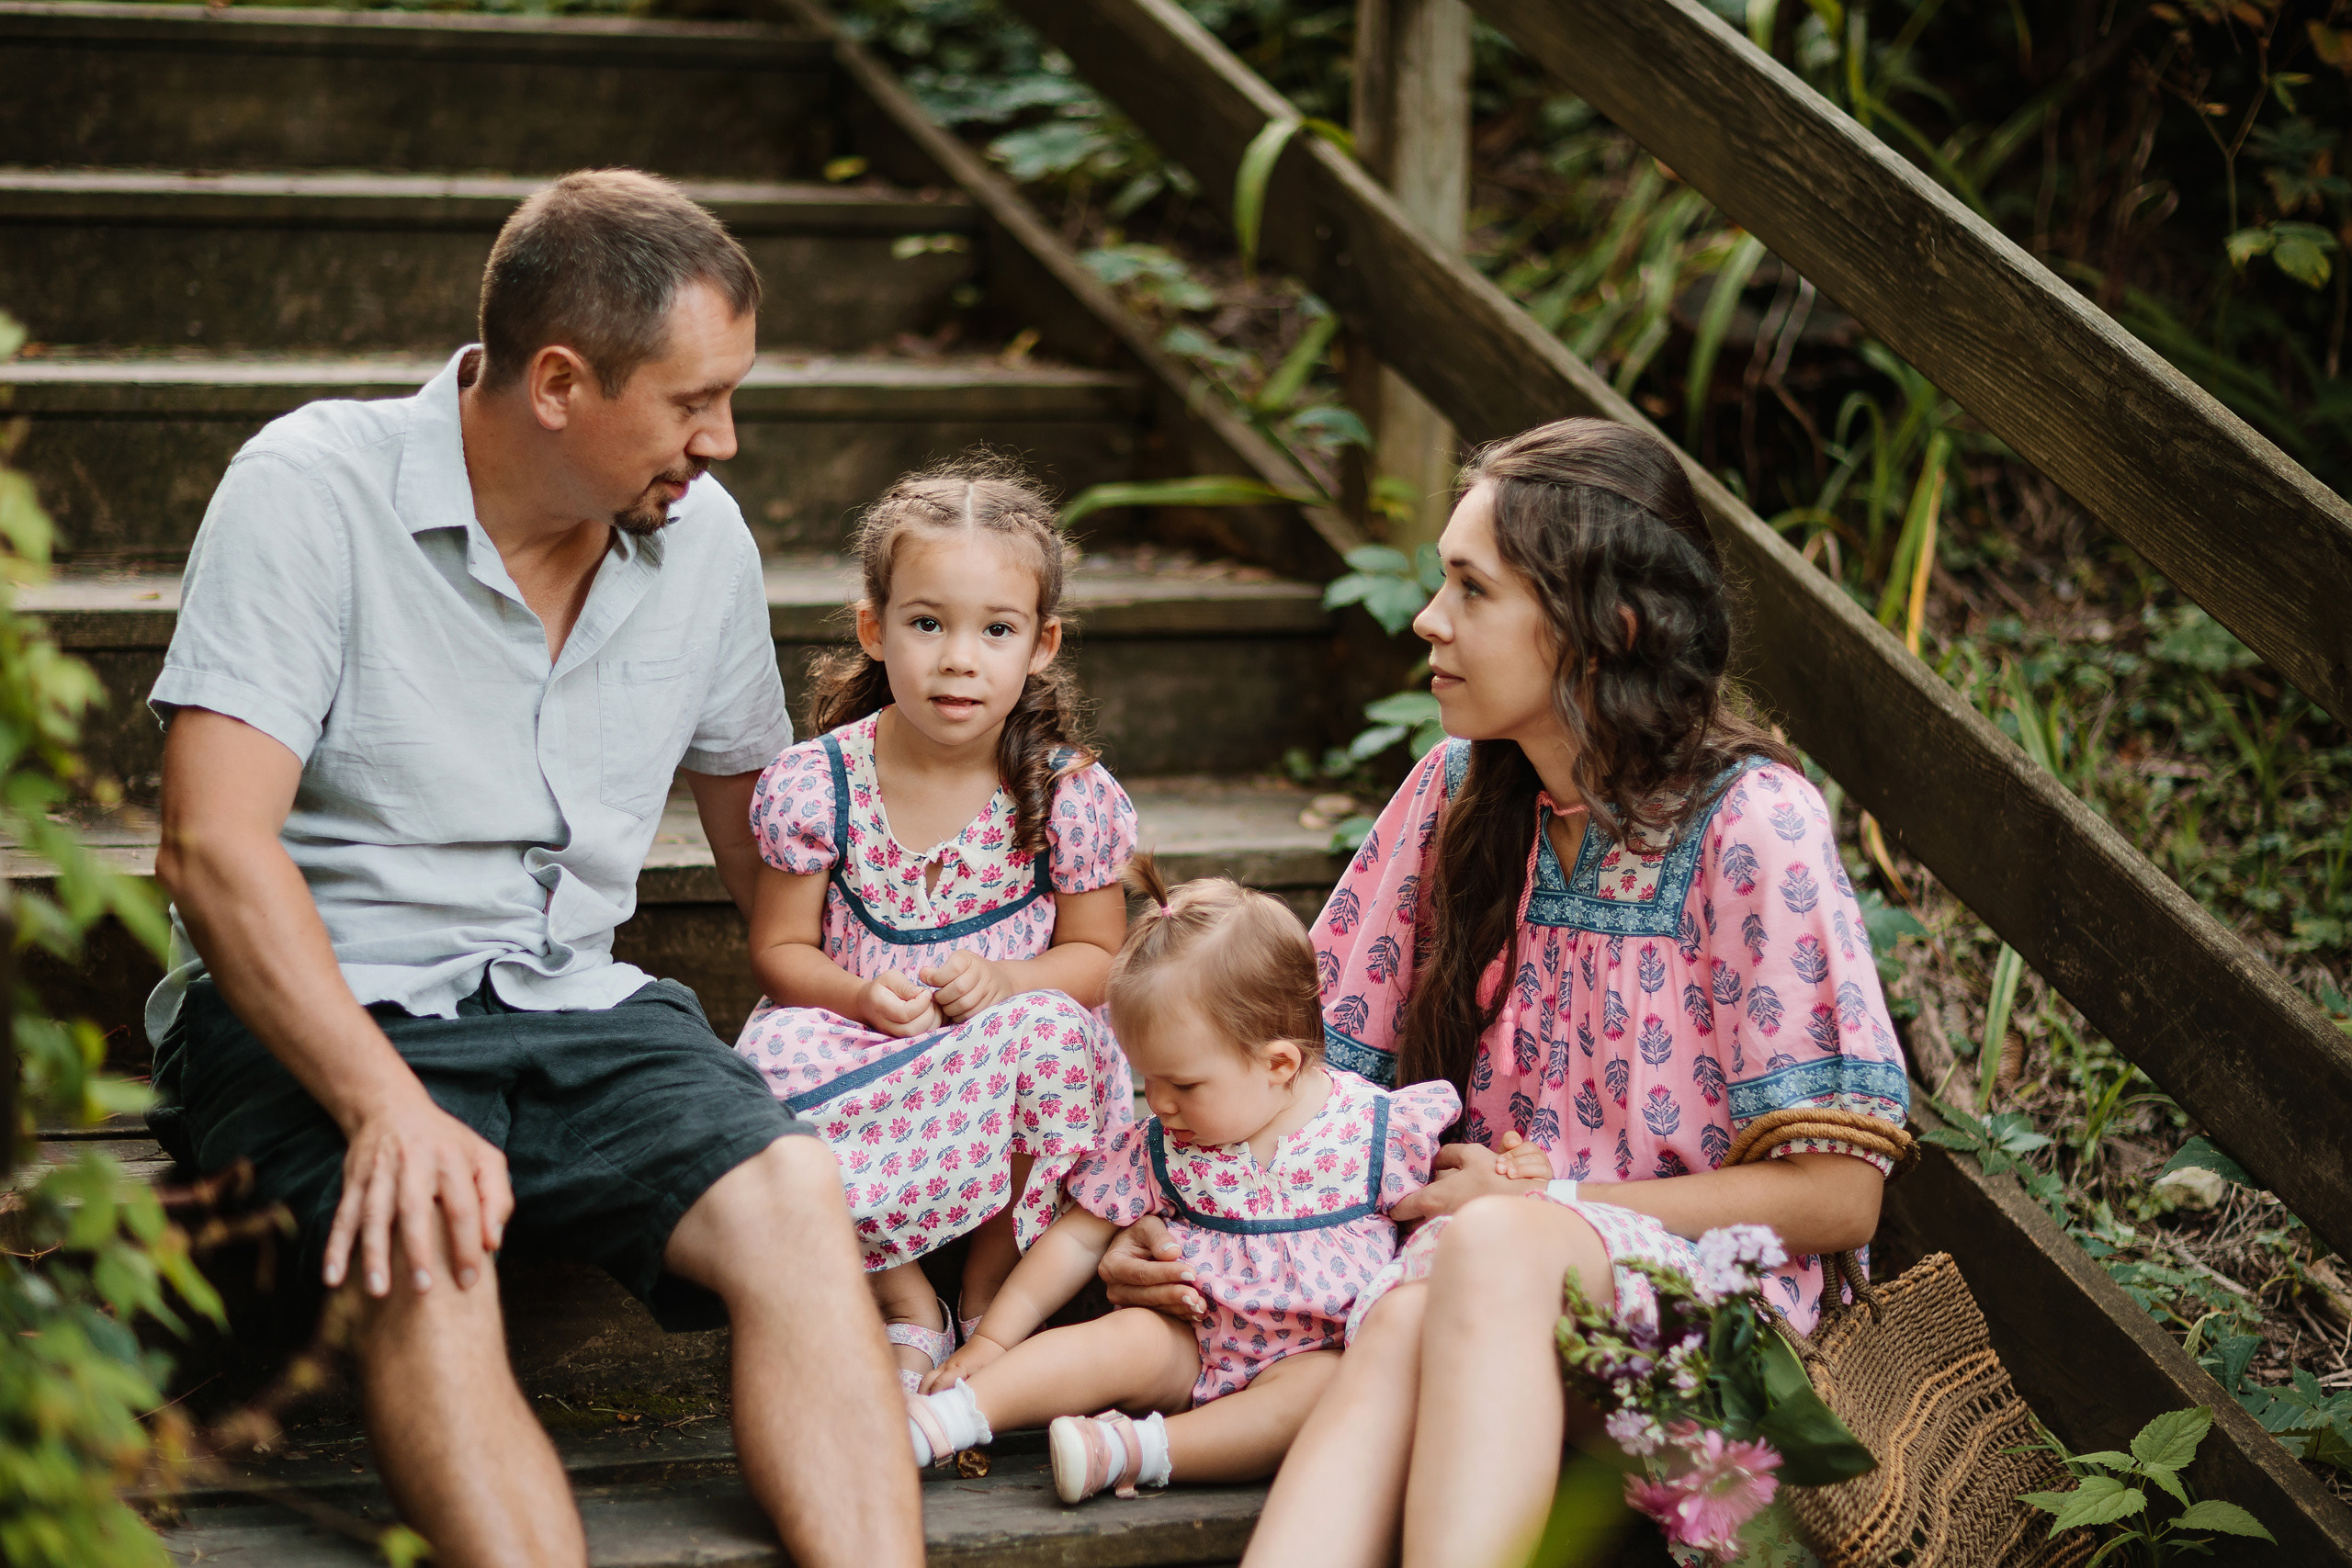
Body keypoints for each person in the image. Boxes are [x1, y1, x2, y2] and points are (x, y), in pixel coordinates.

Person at [145, 169, 921, 1568]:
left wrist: (899, 1021)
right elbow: (209, 842)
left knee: (801, 1197)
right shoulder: (311, 492)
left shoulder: (701, 544)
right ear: (559, 382)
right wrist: (383, 1105)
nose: (725, 441)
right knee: (429, 1237)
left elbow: (772, 844)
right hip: (332, 1007)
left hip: (574, 999)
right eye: (694, 402)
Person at [1100, 418, 1909, 1568]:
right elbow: (1296, 1083)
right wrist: (1170, 1227)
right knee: (1411, 1310)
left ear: (1608, 627)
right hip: (1476, 1324)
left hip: (1712, 1377)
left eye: (1471, 589)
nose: (1428, 620)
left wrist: (1544, 1204)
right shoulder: (1453, 798)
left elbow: (1839, 1200)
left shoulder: (1752, 827)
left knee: (1480, 1255)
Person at [733, 458, 1139, 1390]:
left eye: (996, 629)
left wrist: (1009, 983)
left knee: (1049, 1032)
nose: (960, 658)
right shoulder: (819, 783)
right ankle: (905, 1297)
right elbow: (778, 951)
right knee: (776, 1054)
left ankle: (994, 1282)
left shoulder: (1065, 792)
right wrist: (855, 994)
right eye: (927, 624)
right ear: (875, 629)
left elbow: (1097, 958)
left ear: (1042, 644)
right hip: (866, 1044)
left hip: (995, 1056)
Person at [903, 859, 1476, 1505]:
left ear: (1277, 1061)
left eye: (1183, 1084)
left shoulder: (1378, 1131)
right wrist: (992, 1339)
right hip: (1190, 1341)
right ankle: (943, 1420)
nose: (1161, 1104)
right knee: (1123, 1340)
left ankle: (1129, 1451)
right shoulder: (1168, 1143)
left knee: (1324, 1393)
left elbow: (1440, 1218)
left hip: (1311, 1353)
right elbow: (1078, 1241)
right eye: (1149, 1081)